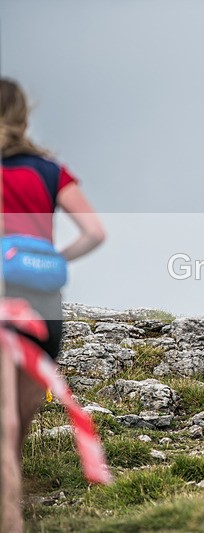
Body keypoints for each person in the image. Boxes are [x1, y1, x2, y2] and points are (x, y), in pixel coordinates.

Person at [1, 77, 106, 456]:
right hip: (43, 306)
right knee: (13, 439)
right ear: (23, 119)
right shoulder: (49, 170)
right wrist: (52, 259)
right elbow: (94, 232)